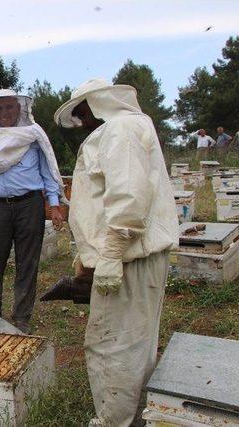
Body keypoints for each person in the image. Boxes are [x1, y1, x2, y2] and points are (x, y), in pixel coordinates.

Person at [53, 78, 179, 427]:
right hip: (135, 257)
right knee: (136, 344)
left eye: (82, 113)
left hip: (127, 260)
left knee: (113, 348)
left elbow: (127, 198)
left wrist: (109, 256)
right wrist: (89, 255)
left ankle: (113, 421)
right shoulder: (130, 127)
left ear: (98, 104)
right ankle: (135, 416)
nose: (82, 122)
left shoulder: (120, 129)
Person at [0, 89, 66, 334]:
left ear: (19, 109)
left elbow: (47, 172)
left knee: (27, 262)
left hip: (29, 206)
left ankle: (21, 317)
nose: (4, 112)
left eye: (9, 107)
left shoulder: (31, 136)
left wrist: (54, 203)